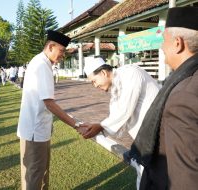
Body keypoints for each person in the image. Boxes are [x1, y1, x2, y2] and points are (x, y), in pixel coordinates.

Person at [128, 7, 198, 190]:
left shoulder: (183, 95)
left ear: (177, 43)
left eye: (163, 40)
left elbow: (186, 178)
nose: (161, 47)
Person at [78, 56, 160, 189]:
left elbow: (124, 110)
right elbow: (116, 117)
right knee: (145, 175)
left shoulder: (129, 73)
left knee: (152, 177)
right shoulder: (116, 86)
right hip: (145, 137)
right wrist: (98, 126)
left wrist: (100, 126)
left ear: (104, 73)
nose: (95, 85)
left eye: (94, 81)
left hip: (157, 133)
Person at [17, 30, 85, 190]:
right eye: (61, 51)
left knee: (37, 173)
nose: (63, 56)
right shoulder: (42, 65)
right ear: (50, 46)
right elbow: (50, 103)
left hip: (36, 129)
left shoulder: (41, 62)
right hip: (35, 131)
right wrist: (75, 124)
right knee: (36, 177)